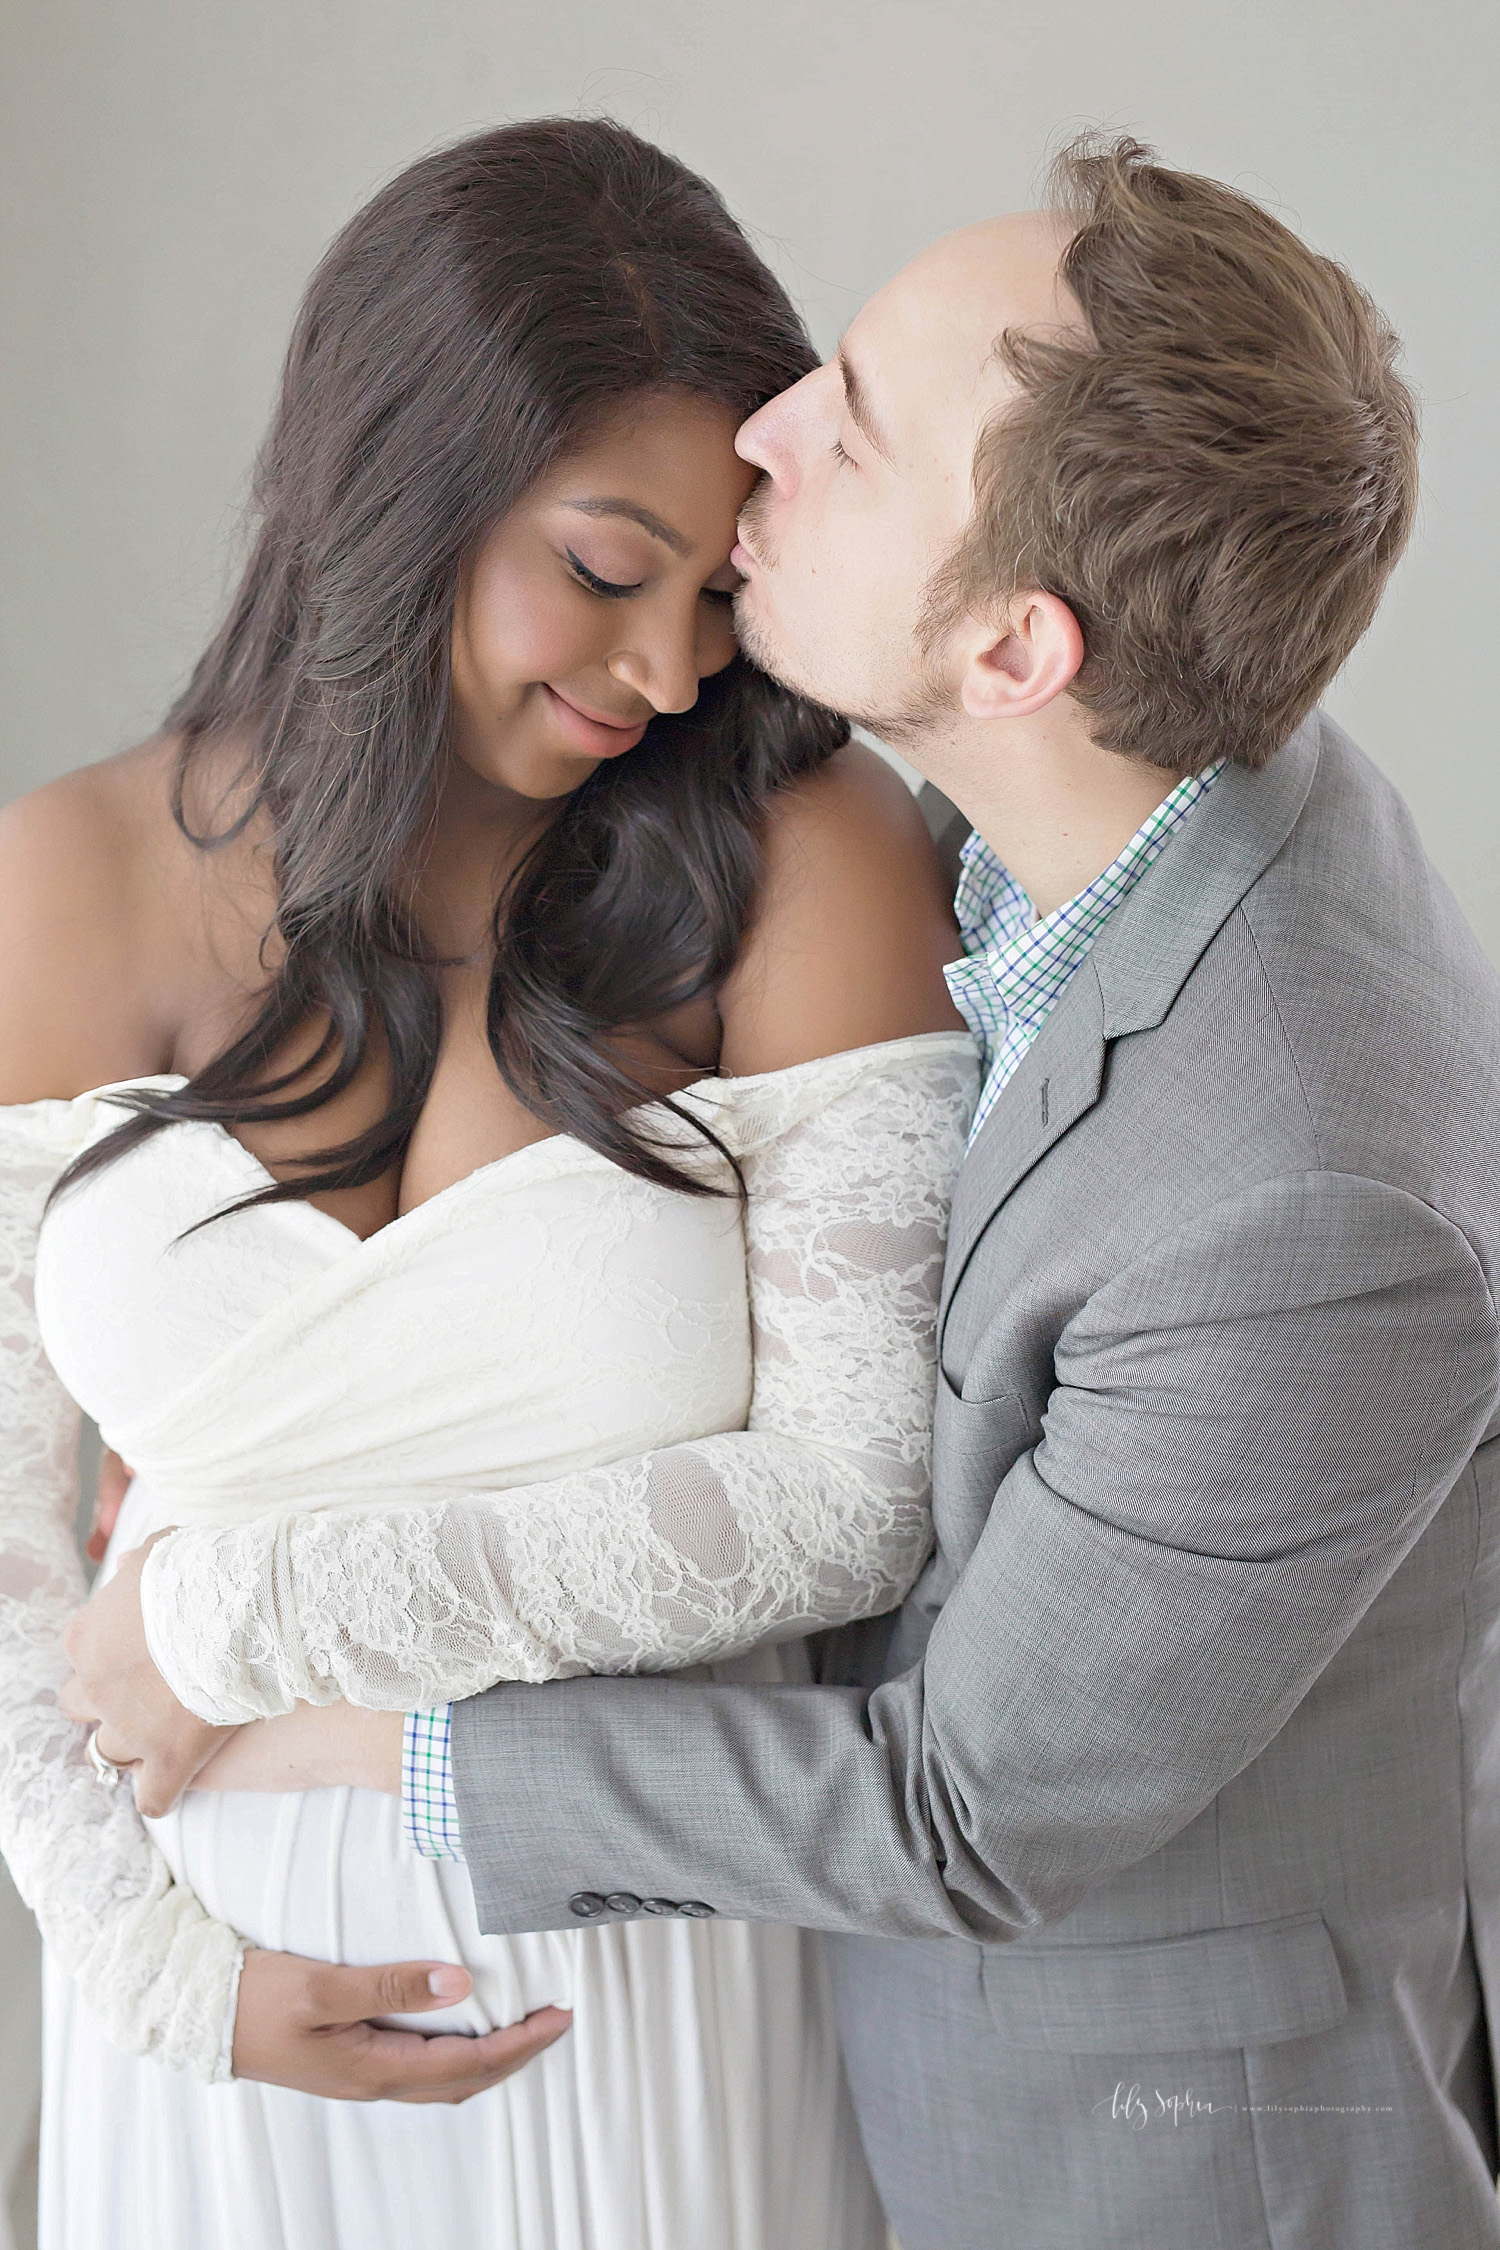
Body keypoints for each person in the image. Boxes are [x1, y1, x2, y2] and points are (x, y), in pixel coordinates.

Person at [72, 134, 1500, 2247]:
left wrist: (270, 1678)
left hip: (1149, 2165)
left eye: (852, 421)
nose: (769, 432)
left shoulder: (1302, 1198)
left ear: (1015, 647)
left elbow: (964, 1810)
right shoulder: (1113, 784)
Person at [0, 119, 976, 2250]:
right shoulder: (59, 881)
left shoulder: (814, 857)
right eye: (606, 573)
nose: (668, 676)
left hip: (655, 1956)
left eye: (719, 595)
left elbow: (843, 1503)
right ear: (398, 487)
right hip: (218, 2011)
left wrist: (218, 1611)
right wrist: (163, 1982)